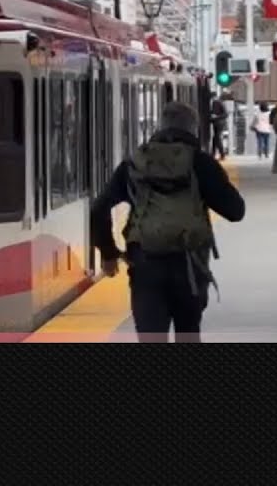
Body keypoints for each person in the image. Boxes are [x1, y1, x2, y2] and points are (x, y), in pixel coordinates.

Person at [89, 102, 246, 343]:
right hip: (189, 263)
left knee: (151, 335)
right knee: (188, 331)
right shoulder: (201, 162)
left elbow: (99, 208)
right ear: (194, 129)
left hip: (144, 262)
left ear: (160, 127)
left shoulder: (135, 163)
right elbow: (236, 212)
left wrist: (109, 254)